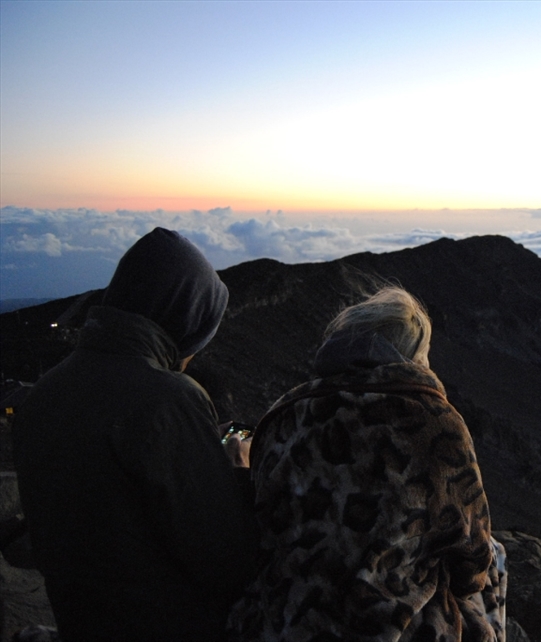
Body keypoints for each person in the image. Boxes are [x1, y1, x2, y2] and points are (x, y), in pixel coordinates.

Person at [13, 228, 260, 642]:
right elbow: (226, 561)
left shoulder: (44, 392)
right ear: (184, 319)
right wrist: (235, 469)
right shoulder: (169, 399)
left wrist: (190, 444)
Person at [228, 287, 507, 642]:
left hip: (279, 622)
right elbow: (474, 564)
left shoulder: (285, 412)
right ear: (413, 355)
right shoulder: (436, 423)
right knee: (495, 556)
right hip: (382, 629)